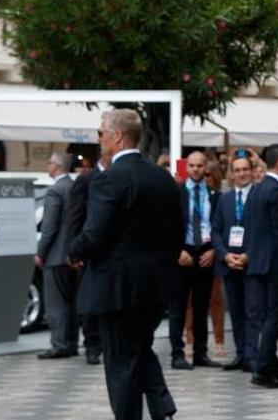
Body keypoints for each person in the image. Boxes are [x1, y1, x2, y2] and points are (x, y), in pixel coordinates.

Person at [69, 109, 181, 420]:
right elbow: (177, 234)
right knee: (138, 349)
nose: (98, 138)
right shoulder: (163, 178)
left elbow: (94, 234)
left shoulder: (110, 180)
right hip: (155, 285)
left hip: (116, 288)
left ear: (117, 136)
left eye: (101, 132)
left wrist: (73, 250)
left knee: (121, 363)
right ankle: (162, 408)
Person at [244, 144, 278, 388]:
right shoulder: (277, 192)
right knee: (275, 317)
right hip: (274, 265)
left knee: (266, 316)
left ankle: (272, 365)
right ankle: (263, 369)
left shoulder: (257, 189)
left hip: (257, 262)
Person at [168, 152, 221, 370]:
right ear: (186, 167)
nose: (196, 169)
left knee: (201, 307)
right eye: (192, 165)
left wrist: (215, 250)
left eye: (200, 165)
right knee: (178, 307)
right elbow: (168, 226)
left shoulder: (213, 194)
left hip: (206, 252)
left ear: (205, 167)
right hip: (183, 253)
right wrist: (177, 251)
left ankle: (201, 353)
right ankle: (177, 353)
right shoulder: (177, 193)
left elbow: (219, 226)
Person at [210, 153, 255, 371]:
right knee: (236, 312)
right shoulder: (224, 199)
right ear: (231, 174)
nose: (241, 174)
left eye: (245, 169)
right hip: (229, 264)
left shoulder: (259, 196)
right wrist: (225, 255)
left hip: (252, 263)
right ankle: (240, 353)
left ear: (251, 170)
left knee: (252, 311)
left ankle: (251, 354)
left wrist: (248, 254)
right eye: (237, 170)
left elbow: (264, 231)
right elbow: (216, 229)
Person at [36, 152, 78, 359]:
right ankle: (72, 342)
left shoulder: (55, 191)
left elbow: (49, 226)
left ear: (56, 167)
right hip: (74, 254)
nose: (48, 166)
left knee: (56, 302)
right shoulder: (74, 187)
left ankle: (59, 344)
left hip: (55, 255)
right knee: (71, 301)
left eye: (49, 162)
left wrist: (40, 252)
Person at [66, 154, 106, 365]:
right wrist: (73, 249)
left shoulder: (118, 176)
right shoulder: (86, 179)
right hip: (90, 249)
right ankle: (92, 345)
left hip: (113, 251)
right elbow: (74, 216)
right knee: (90, 300)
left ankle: (106, 343)